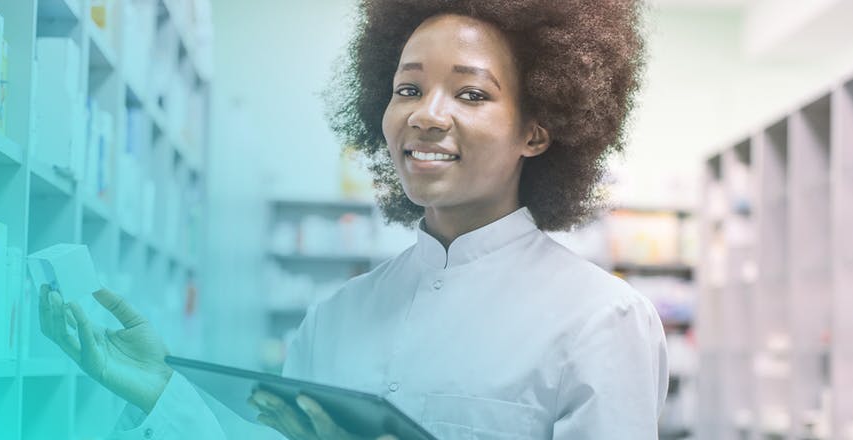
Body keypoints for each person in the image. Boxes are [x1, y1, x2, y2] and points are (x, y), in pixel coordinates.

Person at [39, 0, 668, 438]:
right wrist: (158, 388)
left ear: (536, 129)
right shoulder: (336, 317)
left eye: (472, 94)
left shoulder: (600, 322)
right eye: (408, 89)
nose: (426, 115)